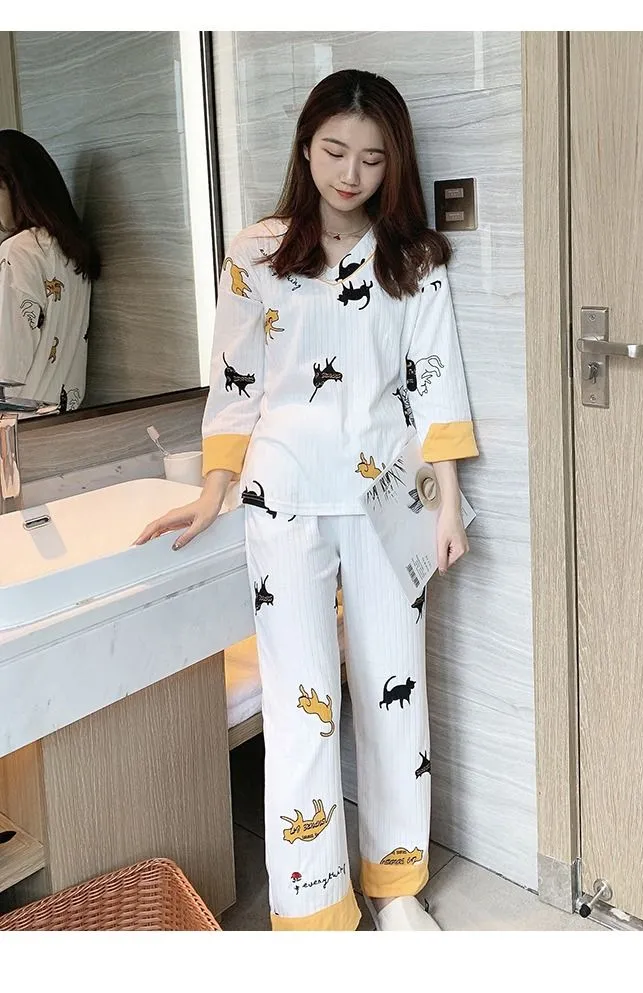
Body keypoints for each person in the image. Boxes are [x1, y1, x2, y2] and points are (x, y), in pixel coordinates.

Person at [135, 69, 479, 931]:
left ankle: (397, 888)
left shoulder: (412, 260)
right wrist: (213, 489)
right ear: (306, 147)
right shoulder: (256, 253)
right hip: (283, 495)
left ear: (393, 163)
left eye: (371, 158)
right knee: (300, 704)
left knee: (395, 688)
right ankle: (315, 910)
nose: (349, 174)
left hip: (386, 496)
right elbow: (236, 382)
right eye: (334, 151)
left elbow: (433, 383)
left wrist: (447, 503)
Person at [0, 129, 100, 411]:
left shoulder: (17, 251)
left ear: (18, 187)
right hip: (63, 421)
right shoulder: (71, 250)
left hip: (18, 426)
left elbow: (6, 366)